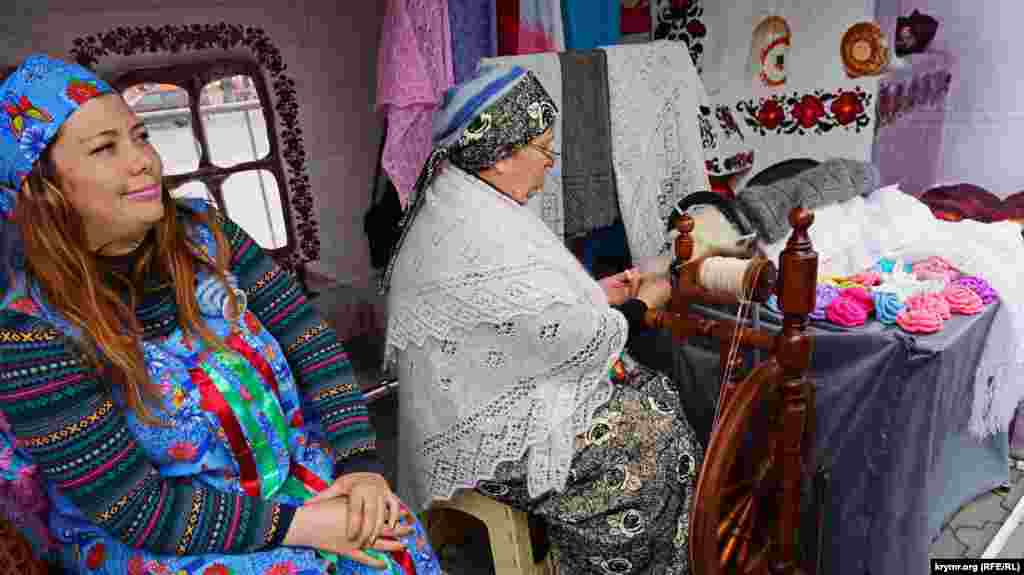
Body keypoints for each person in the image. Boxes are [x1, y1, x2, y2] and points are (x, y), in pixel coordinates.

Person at [0, 54, 440, 574]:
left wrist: (359, 465)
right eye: (105, 148)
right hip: (169, 535)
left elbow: (309, 341)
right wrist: (304, 525)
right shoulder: (31, 335)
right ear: (41, 190)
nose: (143, 160)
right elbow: (134, 508)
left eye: (140, 136)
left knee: (392, 542)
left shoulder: (207, 235)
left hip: (295, 482)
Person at [381, 65, 703, 574]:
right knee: (648, 438)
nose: (550, 166)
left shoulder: (464, 199)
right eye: (545, 150)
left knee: (653, 393)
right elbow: (555, 334)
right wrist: (641, 307)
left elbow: (514, 318)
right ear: (502, 154)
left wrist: (595, 295)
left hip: (485, 398)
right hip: (483, 431)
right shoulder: (471, 222)